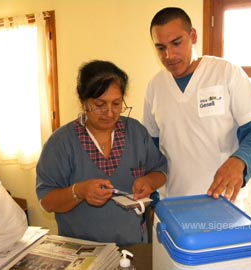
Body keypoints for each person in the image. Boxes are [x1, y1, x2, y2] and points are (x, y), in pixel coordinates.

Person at [143, 7, 251, 206]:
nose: (169, 55)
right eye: (161, 48)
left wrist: (240, 161)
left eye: (177, 43)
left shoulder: (226, 73)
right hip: (173, 203)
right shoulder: (155, 86)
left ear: (193, 36)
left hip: (223, 202)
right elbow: (151, 148)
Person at [36, 60, 167, 246]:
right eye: (99, 104)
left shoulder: (136, 133)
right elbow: (47, 202)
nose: (109, 113)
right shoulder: (62, 143)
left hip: (133, 245)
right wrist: (79, 191)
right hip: (82, 249)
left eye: (116, 103)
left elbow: (160, 170)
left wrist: (149, 182)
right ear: (83, 102)